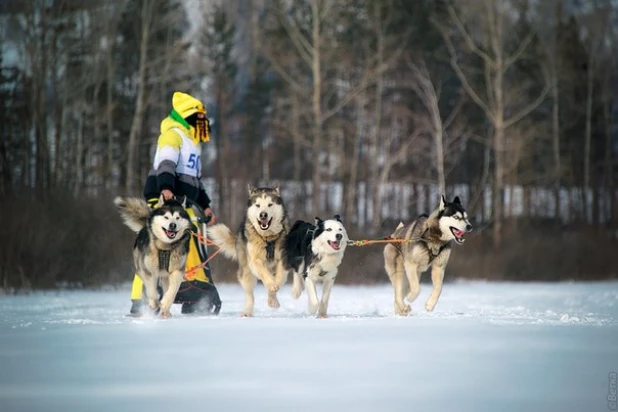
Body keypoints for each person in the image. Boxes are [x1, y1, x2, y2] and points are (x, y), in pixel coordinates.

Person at [129, 91, 222, 316]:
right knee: (154, 245)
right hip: (165, 197)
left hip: (184, 201)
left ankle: (193, 289)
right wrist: (166, 188)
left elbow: (195, 181)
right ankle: (142, 296)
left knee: (187, 243)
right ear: (188, 116)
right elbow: (166, 164)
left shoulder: (193, 143)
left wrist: (206, 205)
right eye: (199, 118)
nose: (204, 123)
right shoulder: (173, 135)